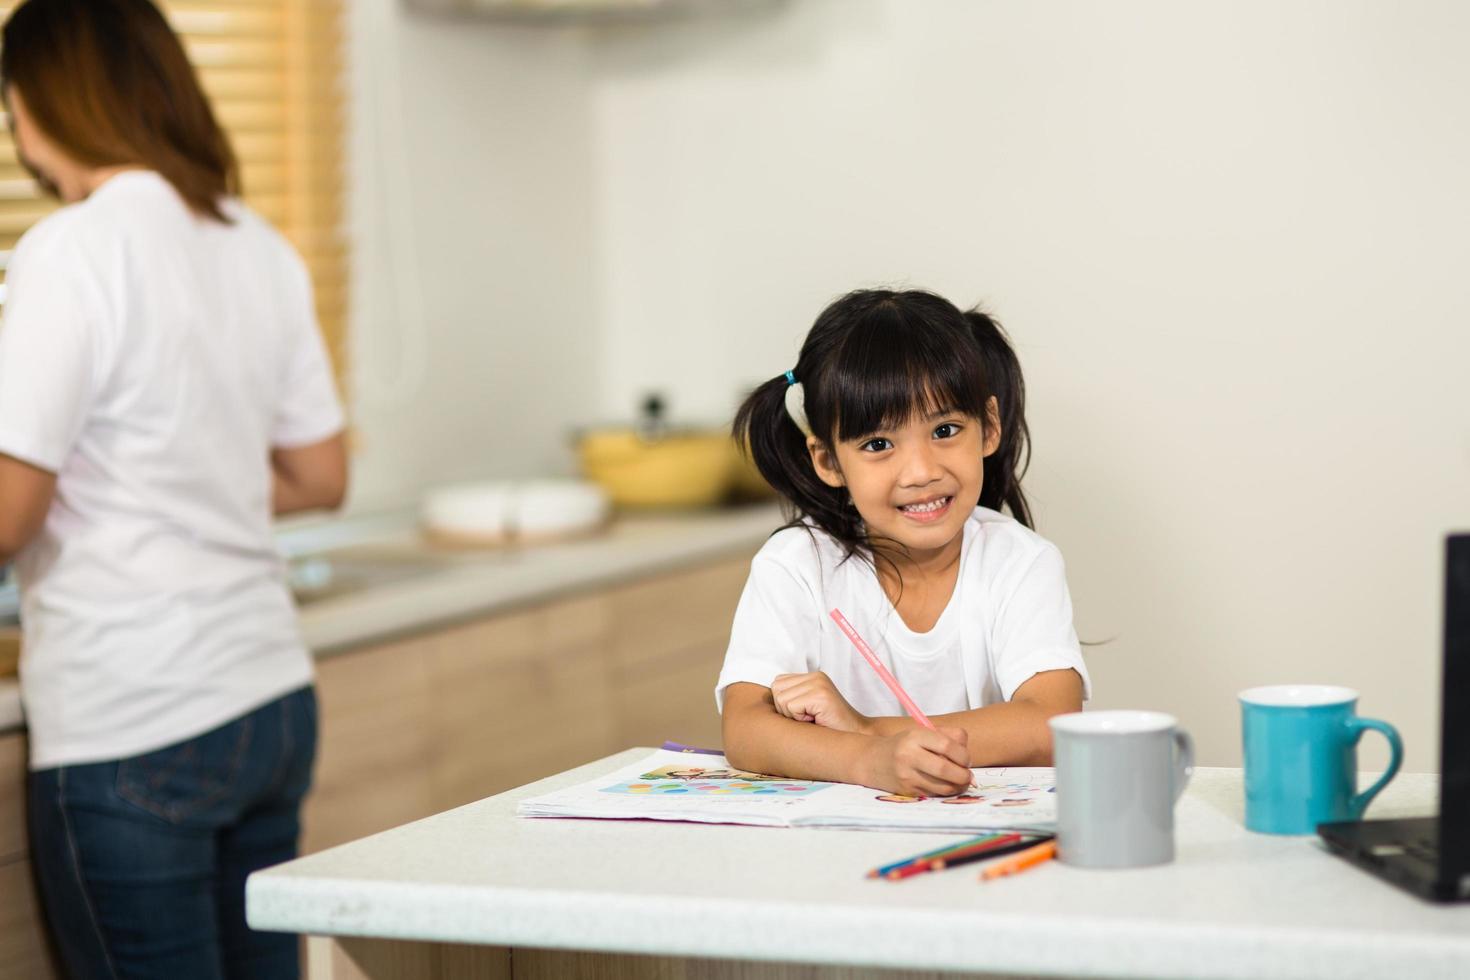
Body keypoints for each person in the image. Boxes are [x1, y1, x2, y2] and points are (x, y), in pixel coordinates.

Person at [0, 1, 347, 976]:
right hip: (267, 696)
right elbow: (321, 474)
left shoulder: (72, 248)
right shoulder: (256, 243)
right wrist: (186, 478)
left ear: (43, 101)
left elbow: (11, 511)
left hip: (137, 710)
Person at [717, 289, 1089, 798]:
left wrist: (866, 729)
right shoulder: (797, 563)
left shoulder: (1020, 561)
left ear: (989, 427)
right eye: (877, 445)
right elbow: (745, 731)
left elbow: (1052, 725)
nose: (921, 472)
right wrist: (870, 760)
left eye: (945, 429)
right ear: (827, 460)